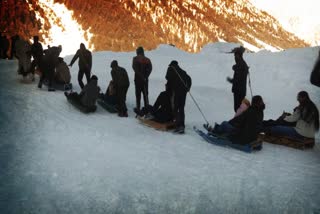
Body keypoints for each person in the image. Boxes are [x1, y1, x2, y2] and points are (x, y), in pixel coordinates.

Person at [166, 60, 192, 133]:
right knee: (181, 108)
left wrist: (169, 88)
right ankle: (182, 125)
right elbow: (189, 79)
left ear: (171, 65)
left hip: (177, 91)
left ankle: (177, 125)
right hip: (183, 92)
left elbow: (167, 77)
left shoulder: (171, 69)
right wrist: (188, 88)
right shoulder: (183, 71)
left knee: (175, 108)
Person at [227, 46, 249, 113]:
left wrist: (231, 80)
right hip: (241, 90)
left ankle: (238, 122)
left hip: (238, 90)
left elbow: (238, 79)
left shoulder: (240, 65)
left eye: (235, 55)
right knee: (240, 108)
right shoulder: (242, 64)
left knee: (238, 108)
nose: (234, 57)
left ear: (238, 56)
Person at [132, 46, 152, 112]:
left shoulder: (135, 59)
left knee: (138, 94)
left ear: (138, 52)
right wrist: (146, 76)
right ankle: (147, 108)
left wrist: (141, 76)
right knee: (145, 94)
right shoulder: (147, 60)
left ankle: (138, 108)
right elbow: (150, 69)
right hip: (145, 80)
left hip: (138, 80)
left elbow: (135, 68)